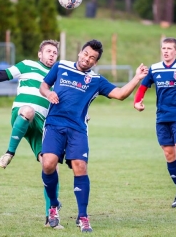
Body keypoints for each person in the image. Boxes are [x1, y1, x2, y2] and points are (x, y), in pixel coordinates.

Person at [39, 39, 148, 232]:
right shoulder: (61, 66)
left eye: (92, 58)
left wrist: (137, 78)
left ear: (95, 62)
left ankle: (82, 216)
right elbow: (44, 86)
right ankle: (54, 206)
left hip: (77, 129)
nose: (87, 59)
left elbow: (121, 94)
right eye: (86, 54)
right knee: (48, 163)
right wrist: (48, 94)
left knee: (80, 167)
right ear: (80, 52)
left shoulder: (96, 81)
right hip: (54, 125)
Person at [0, 40, 64, 229]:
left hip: (42, 125)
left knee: (51, 166)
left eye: (55, 52)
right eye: (48, 51)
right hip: (21, 116)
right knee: (27, 110)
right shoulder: (27, 65)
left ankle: (51, 216)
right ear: (40, 54)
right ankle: (9, 153)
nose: (52, 55)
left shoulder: (59, 75)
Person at [134, 37, 176, 208]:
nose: (166, 51)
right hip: (162, 117)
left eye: (170, 48)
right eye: (164, 48)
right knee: (169, 154)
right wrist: (137, 101)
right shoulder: (154, 69)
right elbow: (143, 87)